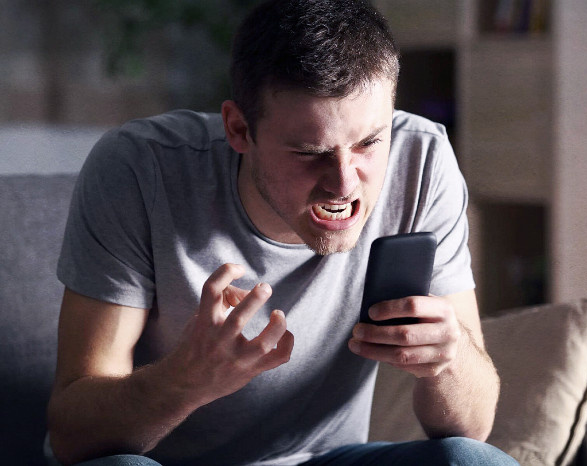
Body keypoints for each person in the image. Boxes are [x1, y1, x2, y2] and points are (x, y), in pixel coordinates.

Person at [47, 0, 515, 464]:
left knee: (474, 461)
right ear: (238, 129)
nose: (344, 184)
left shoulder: (422, 160)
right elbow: (72, 438)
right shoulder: (138, 168)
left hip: (323, 459)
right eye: (310, 152)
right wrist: (184, 380)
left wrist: (450, 358)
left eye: (369, 142)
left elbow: (472, 429)